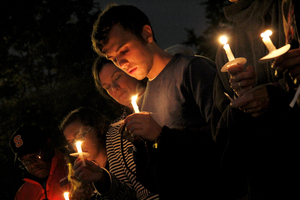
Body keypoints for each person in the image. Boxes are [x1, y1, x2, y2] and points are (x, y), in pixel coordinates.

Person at [91, 4, 228, 199]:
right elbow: (155, 182)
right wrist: (140, 145)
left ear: (147, 34)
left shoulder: (193, 70)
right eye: (113, 58)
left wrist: (161, 135)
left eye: (124, 50)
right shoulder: (145, 99)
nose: (121, 64)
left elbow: (226, 137)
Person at [212, 0, 300, 199]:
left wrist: (277, 92)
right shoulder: (227, 44)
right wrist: (241, 95)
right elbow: (221, 125)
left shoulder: (288, 13)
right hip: (262, 176)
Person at [92, 56, 159, 199]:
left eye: (117, 77)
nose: (115, 87)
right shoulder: (115, 133)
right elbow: (125, 194)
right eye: (107, 87)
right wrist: (103, 179)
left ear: (132, 71)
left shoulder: (166, 103)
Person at [60, 107, 138, 199]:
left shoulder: (122, 157)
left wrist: (104, 180)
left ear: (98, 128)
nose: (76, 146)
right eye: (71, 142)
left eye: (79, 135)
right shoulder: (85, 177)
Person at [10, 125, 70, 200]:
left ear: (48, 144)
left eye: (36, 155)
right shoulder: (23, 194)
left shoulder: (76, 170)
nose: (33, 164)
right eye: (26, 161)